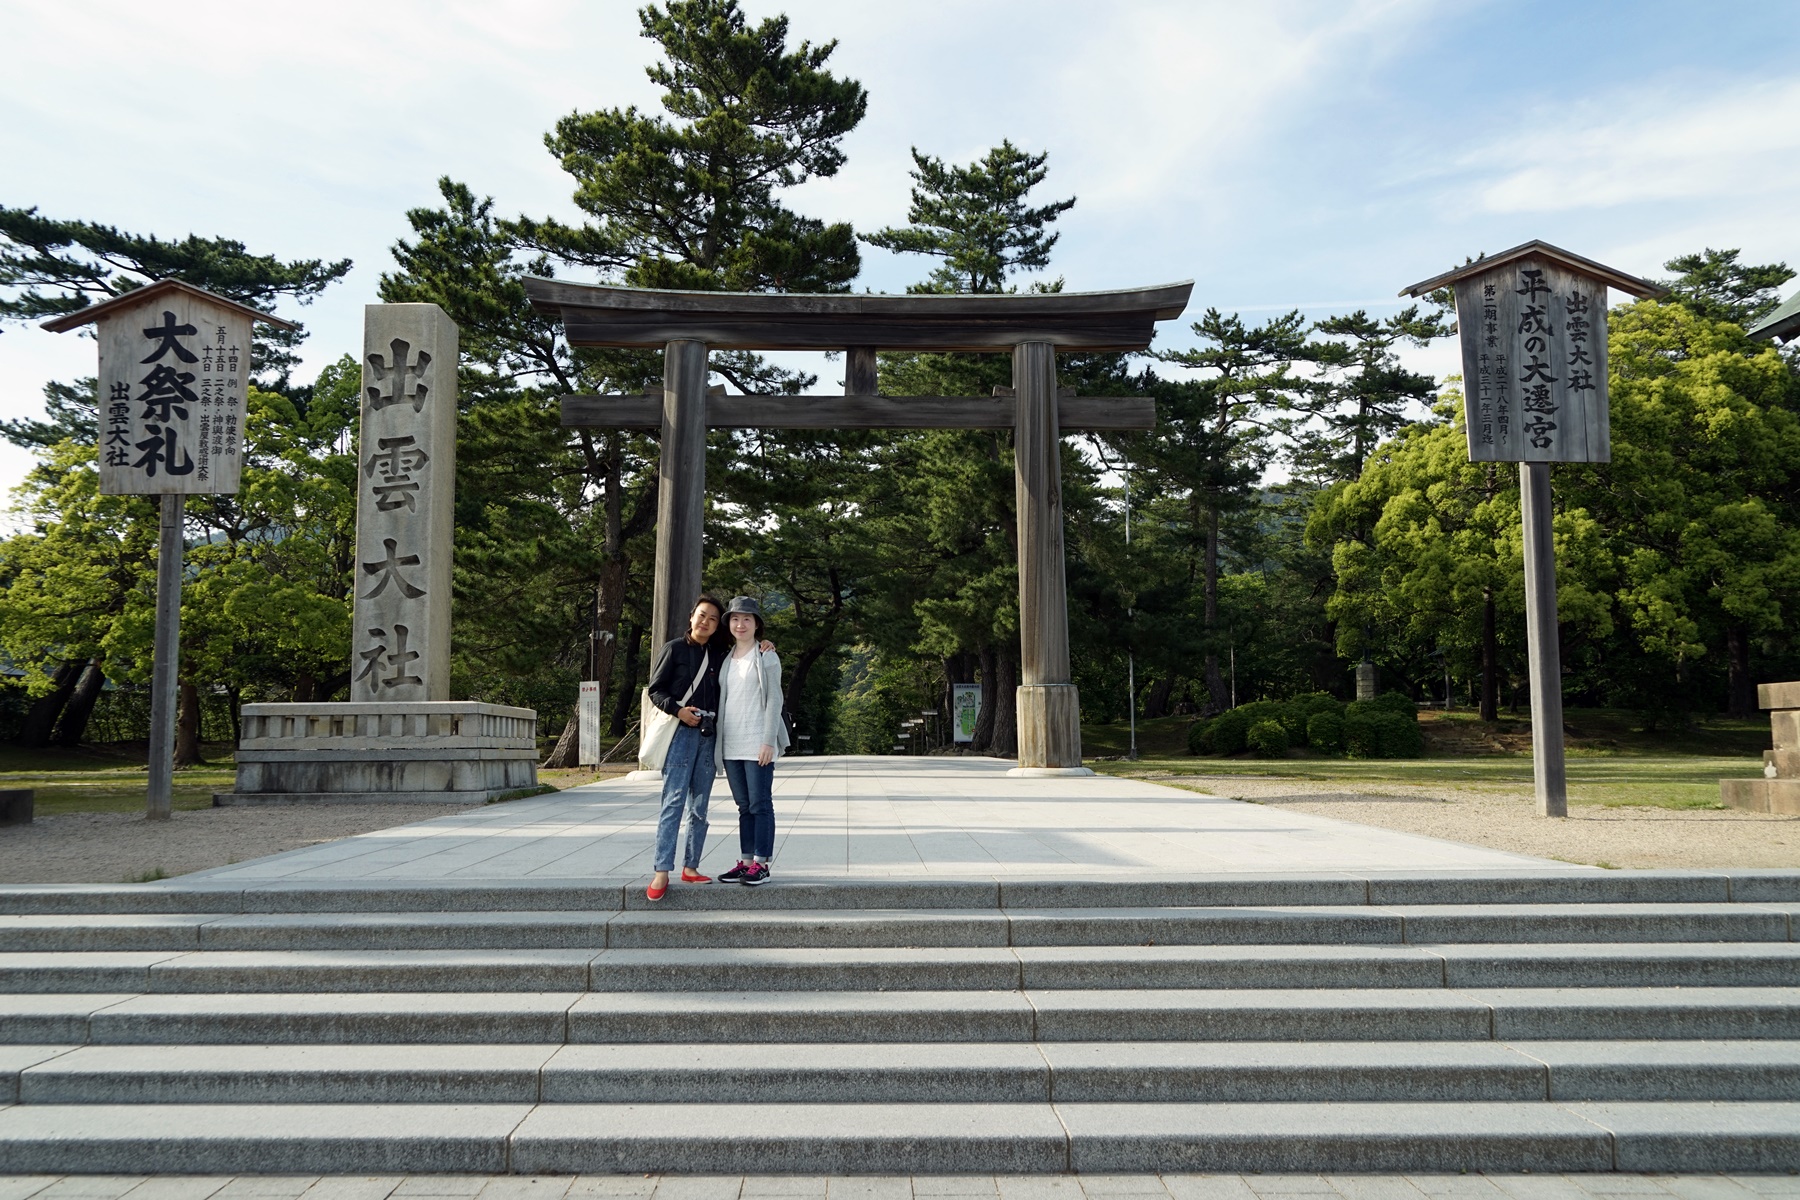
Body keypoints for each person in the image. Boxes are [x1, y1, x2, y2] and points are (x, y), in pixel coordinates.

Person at [643, 594, 729, 902]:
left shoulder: (720, 654)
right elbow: (656, 690)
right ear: (692, 616)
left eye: (713, 619)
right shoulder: (674, 649)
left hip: (708, 734)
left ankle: (691, 866)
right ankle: (661, 870)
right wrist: (679, 710)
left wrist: (765, 645)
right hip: (680, 732)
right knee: (674, 800)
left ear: (717, 626)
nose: (706, 622)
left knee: (700, 805)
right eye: (702, 615)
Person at [714, 596, 788, 886]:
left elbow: (775, 700)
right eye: (735, 619)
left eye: (747, 619)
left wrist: (768, 741)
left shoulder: (766, 655)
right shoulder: (725, 658)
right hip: (731, 743)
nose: (740, 624)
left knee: (760, 803)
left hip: (758, 742)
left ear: (757, 624)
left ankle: (762, 864)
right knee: (744, 806)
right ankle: (746, 863)